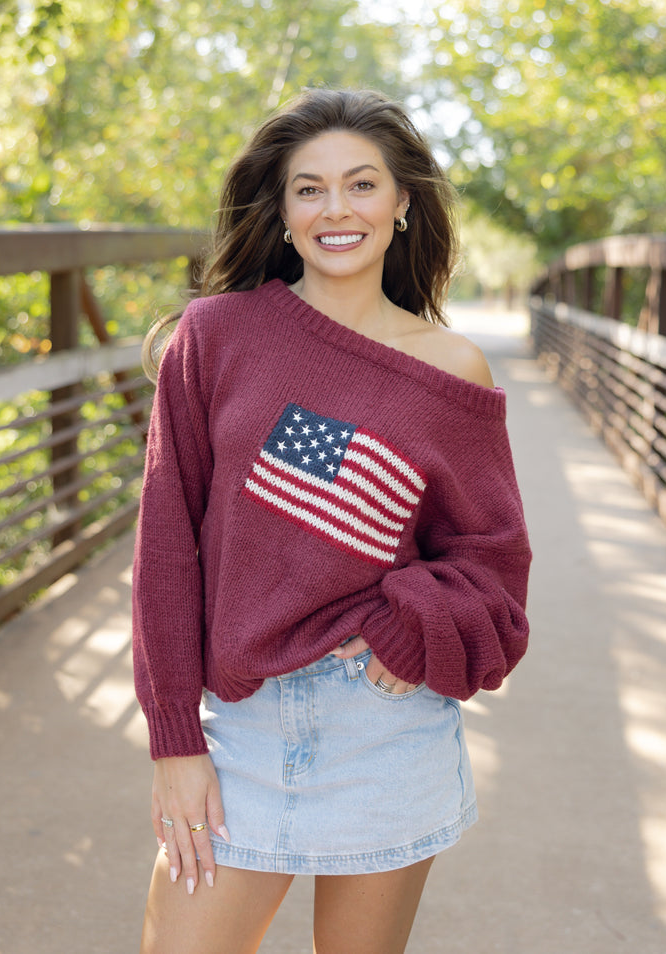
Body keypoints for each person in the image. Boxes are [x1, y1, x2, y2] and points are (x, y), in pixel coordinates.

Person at [132, 87, 531, 954]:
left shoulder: (452, 365)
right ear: (279, 212)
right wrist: (173, 742)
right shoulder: (215, 337)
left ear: (401, 203)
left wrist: (409, 623)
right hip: (240, 727)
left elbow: (492, 563)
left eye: (361, 184)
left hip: (386, 731)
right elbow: (167, 551)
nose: (335, 208)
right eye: (308, 189)